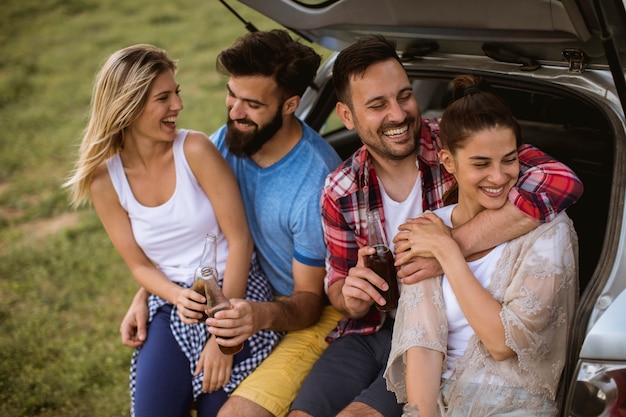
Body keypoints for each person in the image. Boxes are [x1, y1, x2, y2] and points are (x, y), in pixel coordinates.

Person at [288, 35, 583, 417]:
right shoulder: (341, 187)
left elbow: (563, 182)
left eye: (404, 96)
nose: (398, 114)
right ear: (347, 116)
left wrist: (448, 247)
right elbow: (338, 287)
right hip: (372, 331)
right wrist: (352, 295)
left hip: (452, 344)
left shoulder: (462, 142)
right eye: (378, 105)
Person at [120, 30, 344, 417]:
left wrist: (250, 320)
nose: (235, 112)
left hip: (299, 313)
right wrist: (145, 295)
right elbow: (188, 233)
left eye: (252, 104)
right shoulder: (226, 141)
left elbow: (310, 302)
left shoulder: (315, 183)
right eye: (231, 95)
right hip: (230, 294)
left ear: (290, 104)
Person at [64, 44, 281, 417]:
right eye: (163, 98)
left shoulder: (194, 149)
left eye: (176, 92)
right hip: (170, 302)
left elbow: (240, 240)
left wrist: (222, 336)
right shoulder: (104, 179)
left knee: (220, 408)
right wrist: (173, 298)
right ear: (127, 107)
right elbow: (139, 265)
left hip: (233, 291)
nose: (178, 105)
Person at [385, 74, 579, 416]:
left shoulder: (549, 229)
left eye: (509, 159)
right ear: (448, 162)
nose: (499, 176)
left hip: (514, 406)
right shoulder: (428, 227)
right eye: (480, 163)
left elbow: (504, 343)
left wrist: (448, 252)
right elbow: (422, 343)